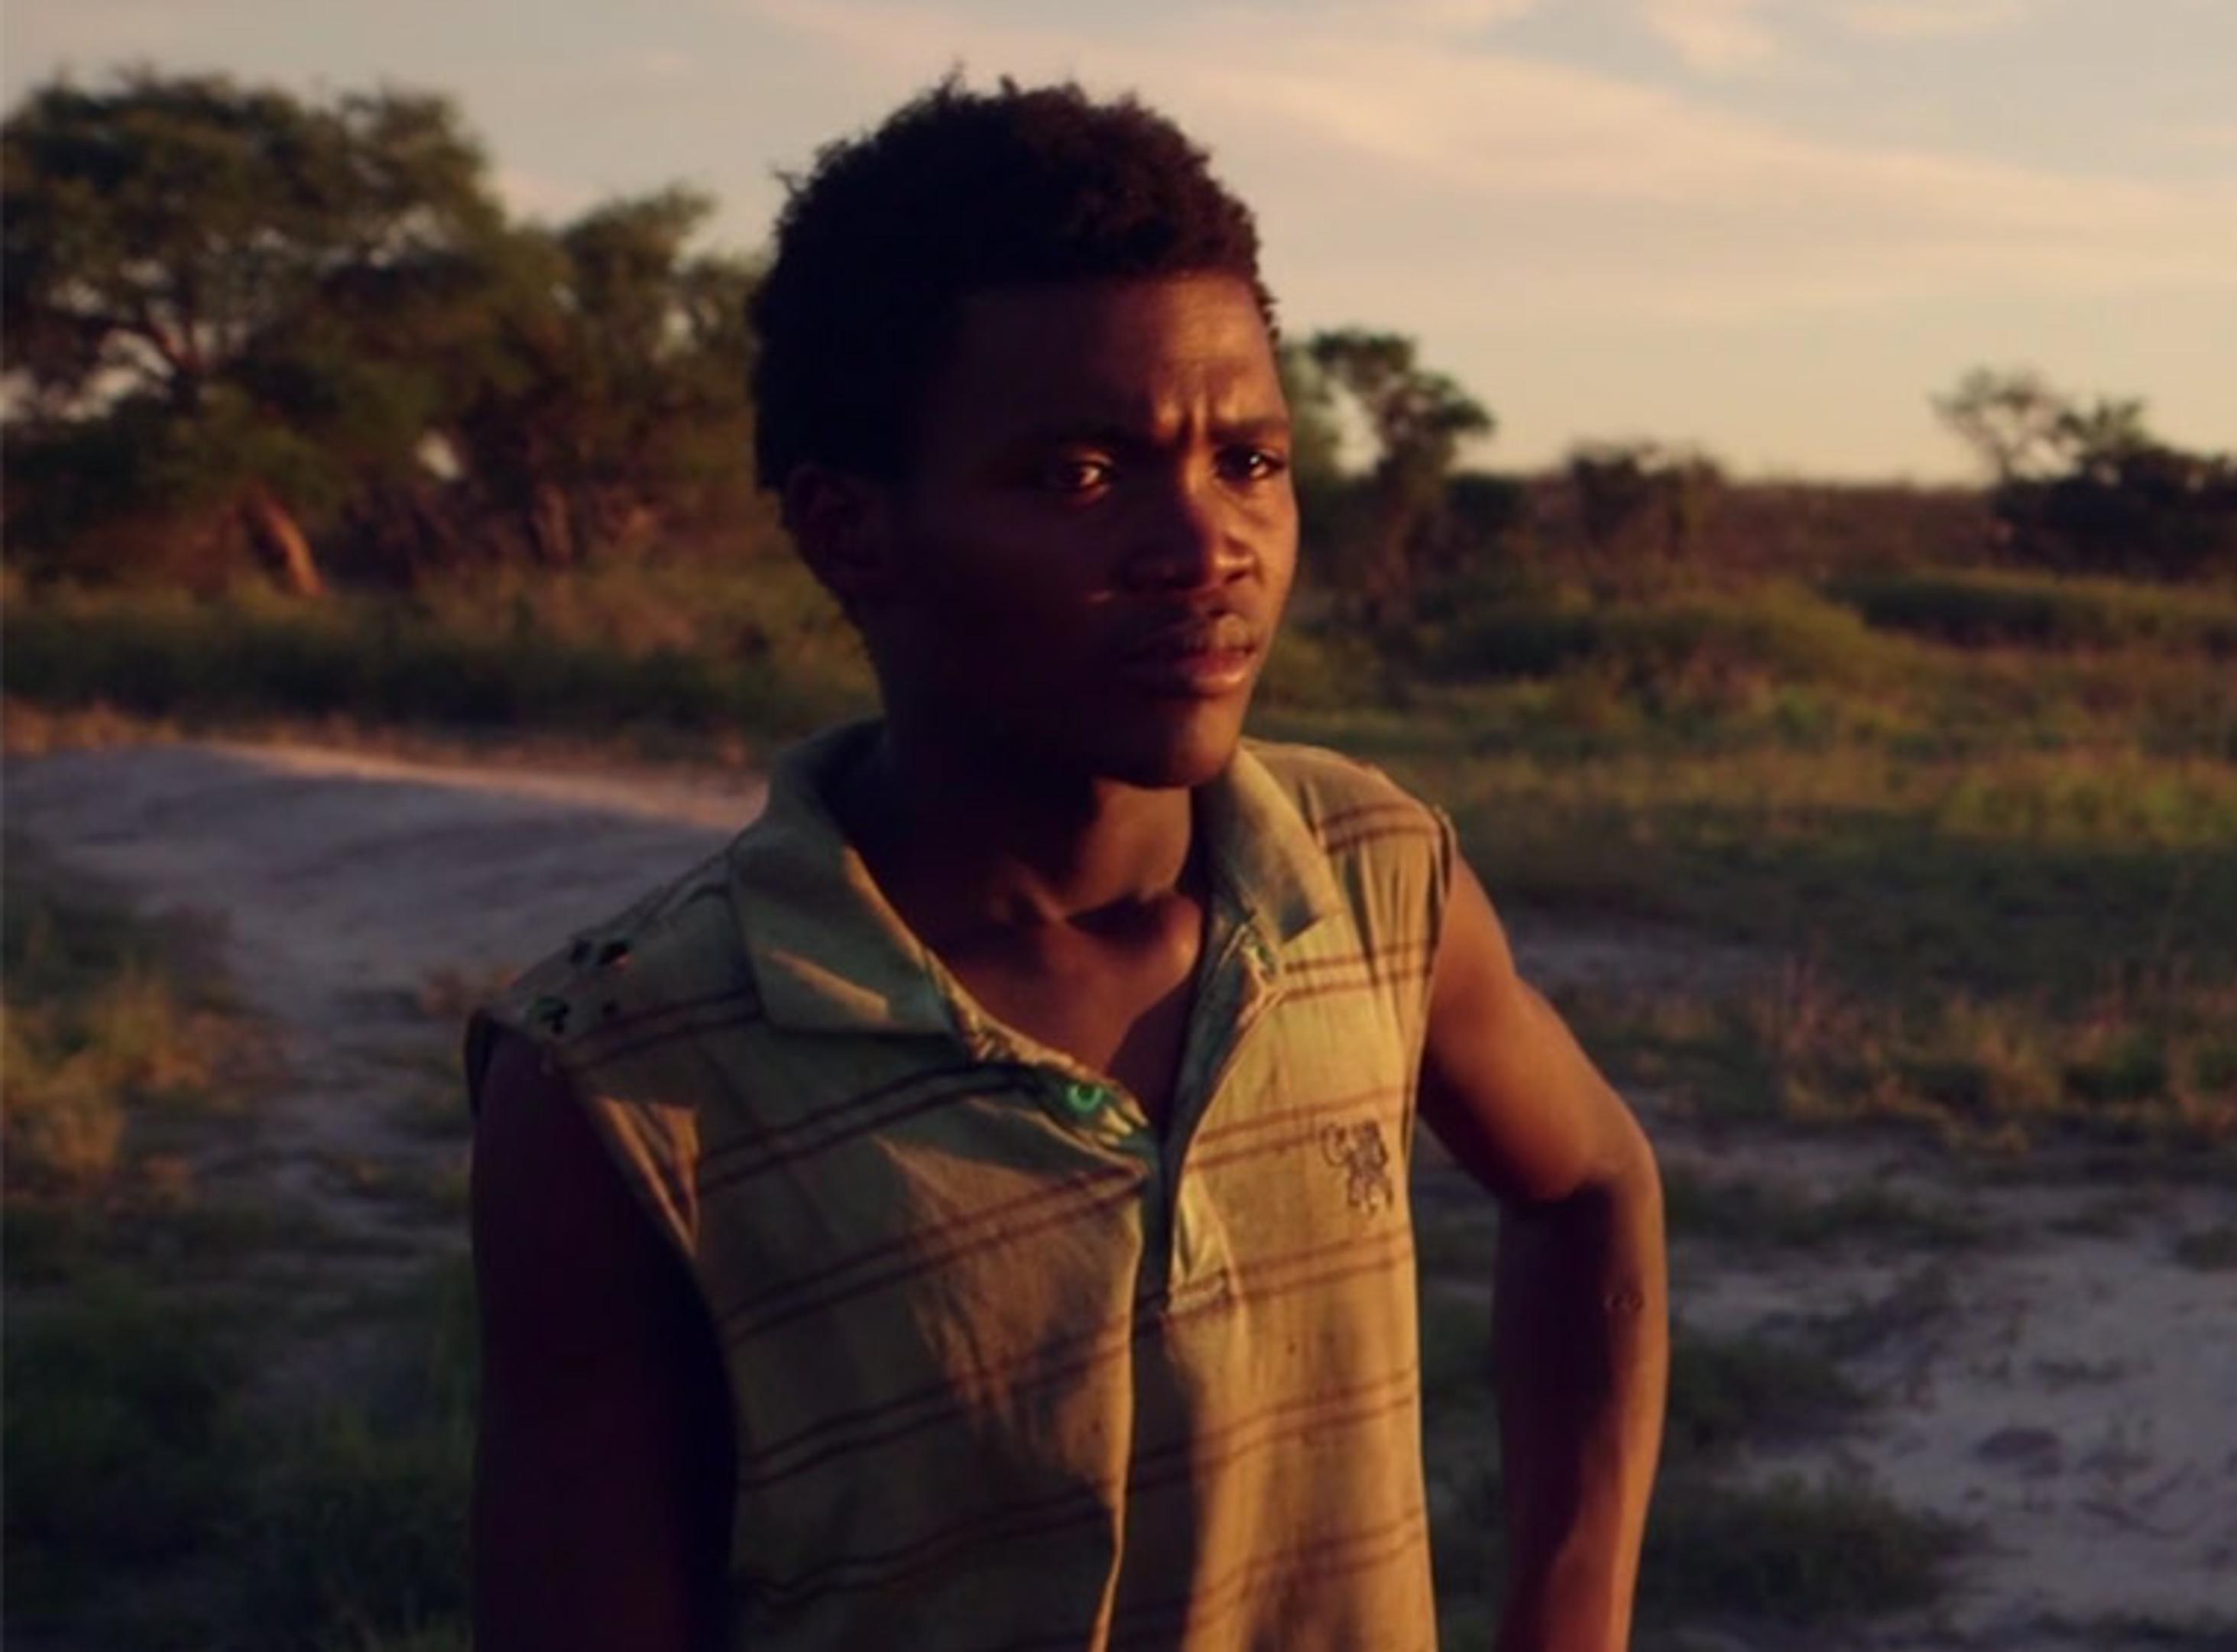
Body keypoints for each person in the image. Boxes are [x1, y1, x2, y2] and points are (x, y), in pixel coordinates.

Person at [465, 75, 1668, 1651]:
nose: (1208, 544)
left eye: (1250, 461)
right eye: (1081, 475)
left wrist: (1571, 1613)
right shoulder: (630, 1075)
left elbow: (1592, 1185)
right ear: (849, 531)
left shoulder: (1373, 878)